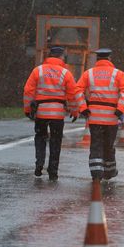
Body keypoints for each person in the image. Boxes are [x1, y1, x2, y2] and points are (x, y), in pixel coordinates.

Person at [74, 48, 124, 180]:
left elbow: (77, 90)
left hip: (94, 117)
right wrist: (120, 109)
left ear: (97, 60)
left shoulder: (89, 73)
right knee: (108, 145)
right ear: (109, 59)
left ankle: (96, 174)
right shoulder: (118, 74)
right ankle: (109, 171)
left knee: (96, 145)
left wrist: (83, 108)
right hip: (111, 117)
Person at [23, 46, 78, 180]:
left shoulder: (38, 70)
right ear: (61, 57)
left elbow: (28, 90)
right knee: (56, 141)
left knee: (40, 138)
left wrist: (28, 109)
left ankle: (39, 164)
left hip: (41, 112)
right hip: (57, 114)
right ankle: (53, 171)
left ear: (49, 56)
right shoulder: (66, 73)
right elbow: (72, 94)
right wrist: (74, 110)